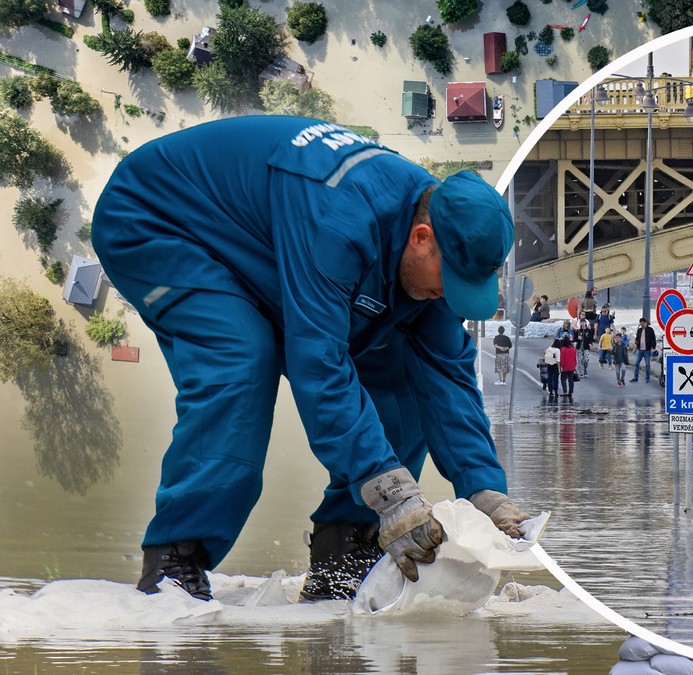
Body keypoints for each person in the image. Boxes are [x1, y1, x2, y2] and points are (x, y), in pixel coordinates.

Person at [91, 116, 530, 602]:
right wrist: (394, 496)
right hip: (159, 220)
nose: (448, 296)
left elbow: (446, 375)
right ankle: (176, 558)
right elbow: (319, 365)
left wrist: (484, 491)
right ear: (421, 237)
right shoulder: (339, 222)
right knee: (241, 357)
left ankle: (344, 551)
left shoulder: (443, 243)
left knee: (401, 379)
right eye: (450, 281)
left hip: (259, 245)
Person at [632, 317, 656, 383]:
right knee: (636, 363)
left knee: (647, 364)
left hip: (647, 350)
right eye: (640, 324)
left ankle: (647, 378)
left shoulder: (650, 330)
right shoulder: (639, 330)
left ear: (646, 323)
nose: (641, 325)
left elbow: (653, 339)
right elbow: (637, 338)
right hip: (640, 350)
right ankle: (635, 377)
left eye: (642, 323)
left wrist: (653, 348)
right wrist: (636, 344)